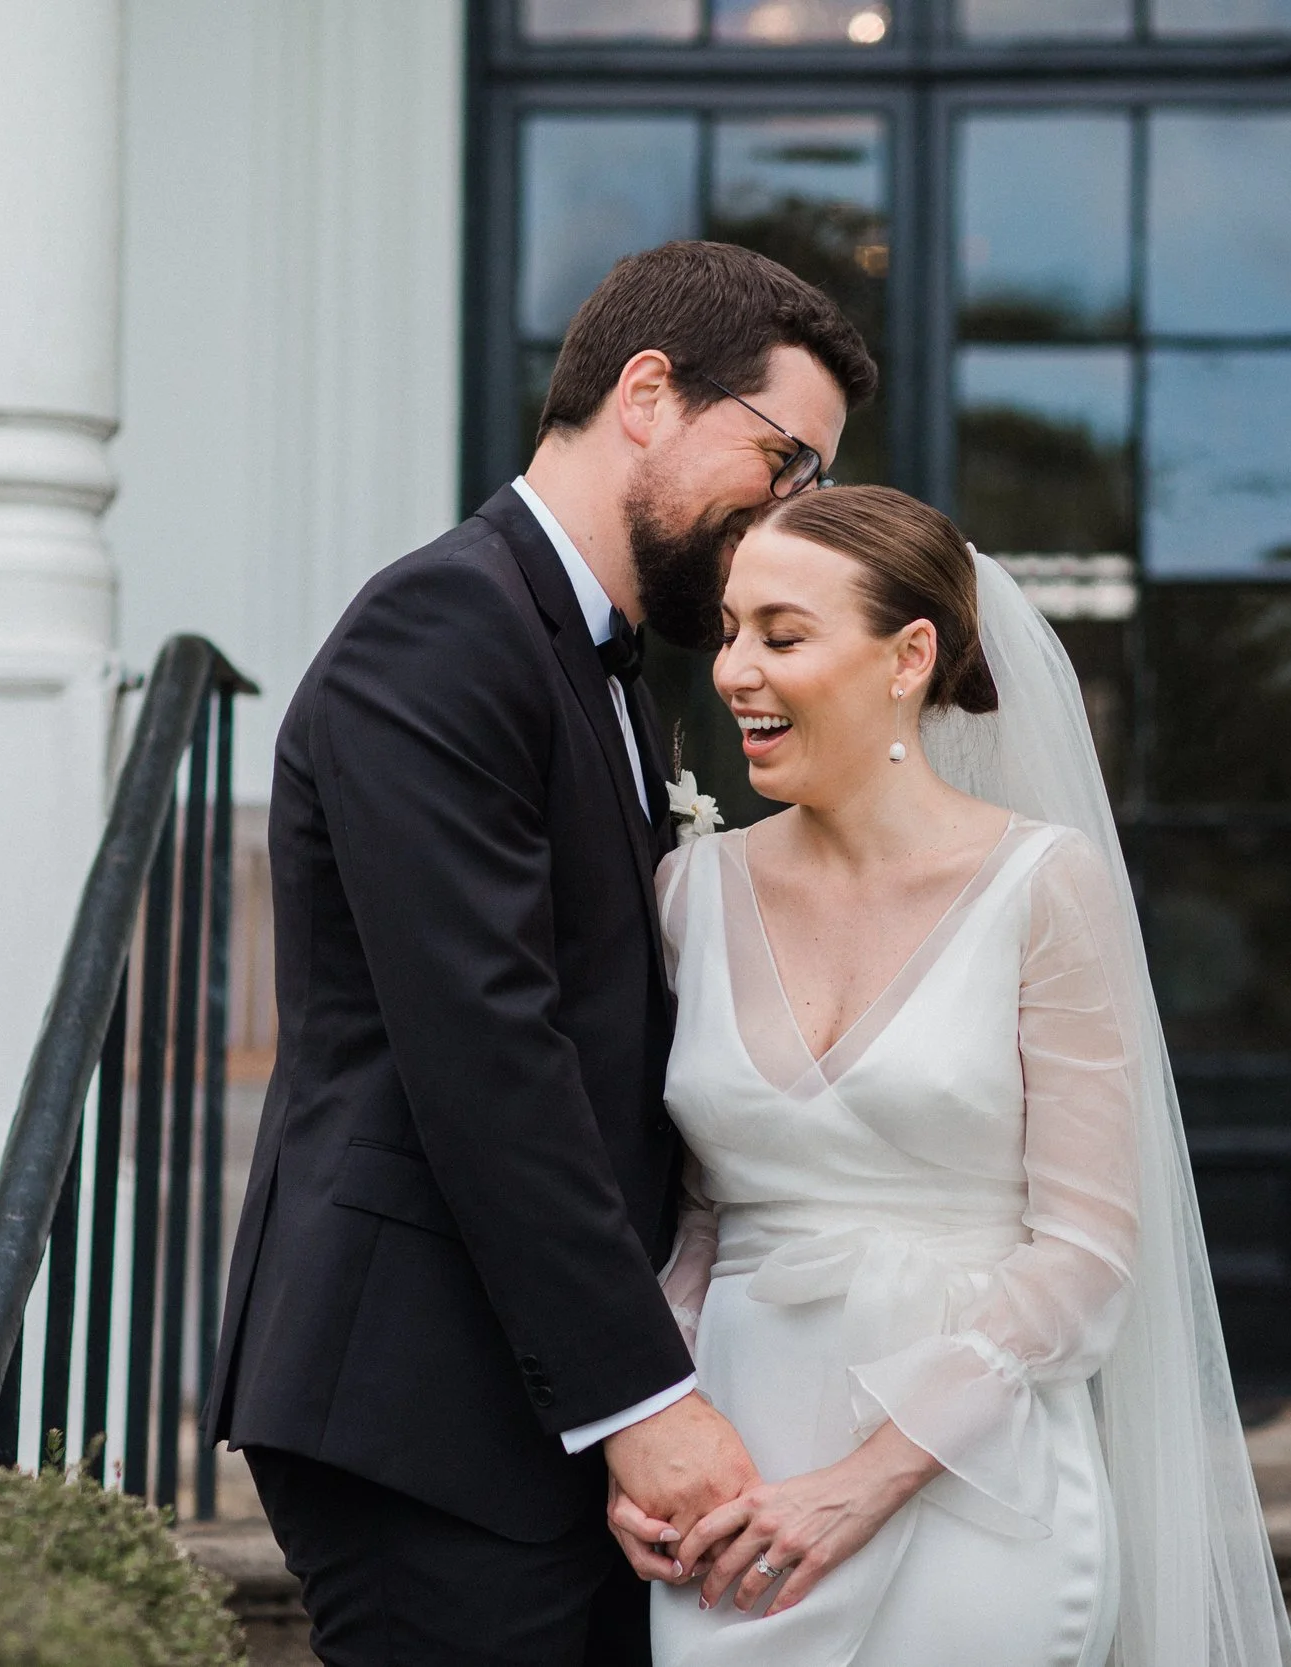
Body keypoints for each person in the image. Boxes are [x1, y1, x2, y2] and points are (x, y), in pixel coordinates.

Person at [202, 241, 879, 1666]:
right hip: (422, 1391)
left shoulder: (604, 666)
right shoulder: (442, 625)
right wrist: (642, 1398)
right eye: (784, 459)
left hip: (526, 1382)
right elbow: (486, 1044)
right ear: (648, 395)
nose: (790, 511)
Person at [614, 486, 1291, 1666]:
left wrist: (866, 1478)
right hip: (738, 1493)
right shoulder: (693, 893)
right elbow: (698, 1222)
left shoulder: (1042, 885)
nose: (734, 670)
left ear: (907, 656)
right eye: (729, 631)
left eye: (782, 634)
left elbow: (1083, 1252)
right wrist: (646, 1425)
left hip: (975, 1475)